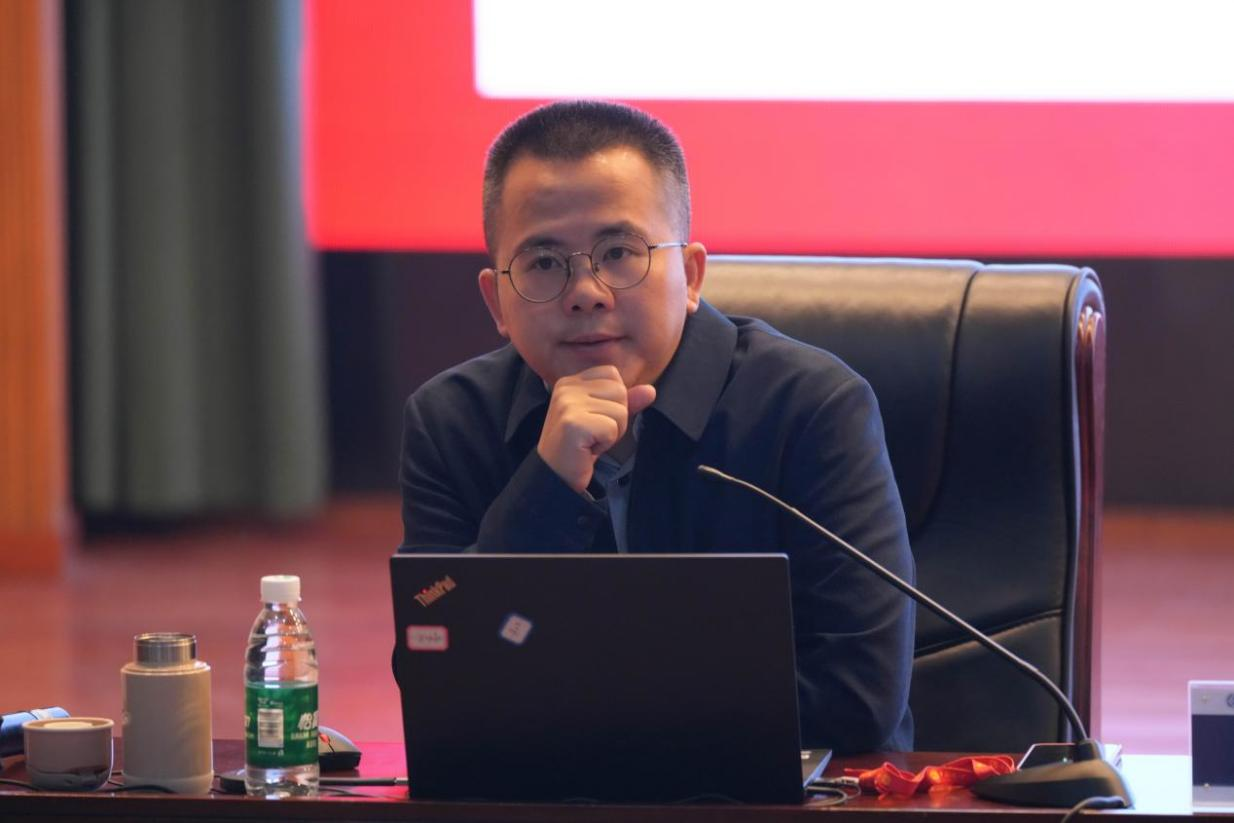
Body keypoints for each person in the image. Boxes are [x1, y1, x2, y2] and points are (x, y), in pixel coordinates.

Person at [398, 100, 915, 753]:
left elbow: (858, 698)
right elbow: (435, 670)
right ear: (496, 300)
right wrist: (546, 488)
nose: (586, 292)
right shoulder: (450, 421)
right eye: (544, 263)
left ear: (691, 275)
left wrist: (589, 715)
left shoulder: (811, 408)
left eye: (620, 252)